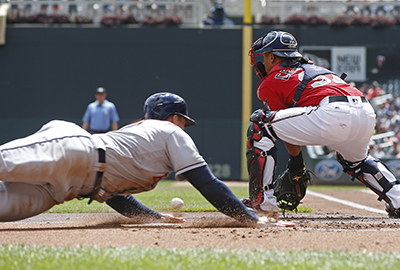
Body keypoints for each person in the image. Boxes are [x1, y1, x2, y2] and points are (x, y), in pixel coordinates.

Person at [0, 92, 272, 226]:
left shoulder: (143, 140)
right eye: (183, 121)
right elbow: (207, 183)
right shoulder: (169, 132)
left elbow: (116, 194)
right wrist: (250, 218)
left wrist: (154, 218)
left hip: (67, 190)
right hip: (74, 150)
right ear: (173, 118)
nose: (184, 127)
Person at [243, 30, 400, 218]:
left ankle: (263, 202)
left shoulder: (272, 80)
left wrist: (296, 165)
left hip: (334, 114)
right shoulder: (314, 68)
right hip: (365, 112)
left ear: (271, 57)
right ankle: (398, 198)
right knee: (357, 161)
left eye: (264, 56)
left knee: (261, 124)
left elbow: (283, 127)